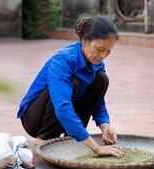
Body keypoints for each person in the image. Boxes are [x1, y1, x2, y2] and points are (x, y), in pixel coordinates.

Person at [17, 16, 122, 157]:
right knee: (73, 83)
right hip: (35, 119)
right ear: (84, 41)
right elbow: (62, 106)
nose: (103, 55)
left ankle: (71, 138)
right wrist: (96, 148)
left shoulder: (97, 63)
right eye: (99, 49)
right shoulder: (63, 60)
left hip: (63, 114)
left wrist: (104, 125)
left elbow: (98, 99)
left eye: (108, 51)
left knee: (101, 80)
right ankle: (44, 140)